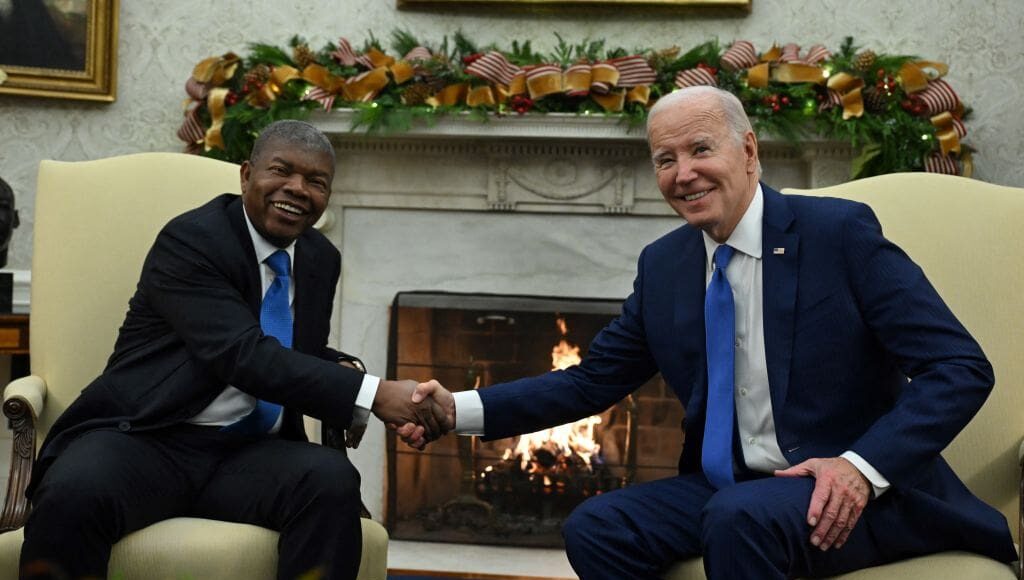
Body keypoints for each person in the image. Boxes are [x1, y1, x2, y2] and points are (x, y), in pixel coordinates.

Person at [399, 86, 1016, 579]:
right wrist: (456, 409)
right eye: (665, 160)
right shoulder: (667, 265)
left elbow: (958, 367)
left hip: (857, 492)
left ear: (749, 151)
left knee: (737, 517)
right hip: (729, 491)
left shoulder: (839, 235)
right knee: (596, 526)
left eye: (700, 150)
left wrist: (859, 467)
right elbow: (592, 382)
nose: (683, 173)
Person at [20, 120, 452, 580]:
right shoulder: (192, 241)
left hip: (249, 455)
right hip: (147, 438)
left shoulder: (320, 258)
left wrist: (360, 386)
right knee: (75, 491)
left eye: (316, 181)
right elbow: (242, 354)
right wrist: (374, 394)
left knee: (330, 479)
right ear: (246, 175)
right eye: (281, 171)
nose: (297, 189)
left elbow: (288, 349)